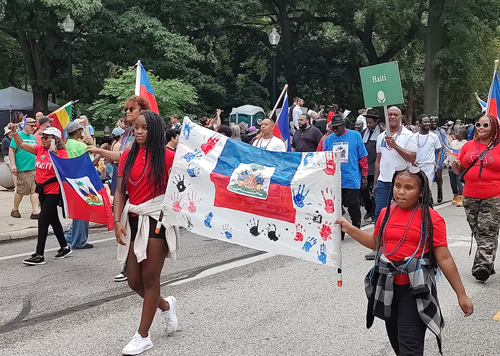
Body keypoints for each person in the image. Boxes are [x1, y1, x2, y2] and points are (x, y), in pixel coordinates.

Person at [336, 166, 473, 355]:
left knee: (410, 348)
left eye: (409, 188)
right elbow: (376, 243)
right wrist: (349, 228)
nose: (401, 191)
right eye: (398, 186)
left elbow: (444, 257)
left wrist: (461, 294)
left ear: (421, 192)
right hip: (388, 288)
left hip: (415, 290)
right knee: (398, 346)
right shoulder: (386, 213)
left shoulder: (431, 218)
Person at [114, 110, 179, 355]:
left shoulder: (169, 157)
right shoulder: (127, 156)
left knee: (150, 278)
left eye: (144, 128)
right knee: (133, 280)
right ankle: (165, 306)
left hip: (157, 217)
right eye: (136, 127)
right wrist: (116, 222)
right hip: (131, 218)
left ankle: (142, 336)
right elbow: (120, 191)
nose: (139, 131)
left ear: (154, 130)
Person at [88, 95, 152, 283]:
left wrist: (100, 151)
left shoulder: (143, 133)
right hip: (122, 180)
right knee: (126, 226)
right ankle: (129, 266)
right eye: (126, 109)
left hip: (140, 185)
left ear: (142, 111)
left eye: (131, 109)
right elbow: (122, 157)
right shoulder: (126, 133)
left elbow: (122, 155)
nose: (127, 112)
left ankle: (138, 267)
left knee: (139, 229)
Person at [10, 125, 71, 265]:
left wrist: (55, 153)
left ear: (55, 139)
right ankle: (65, 246)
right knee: (53, 219)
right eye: (41, 137)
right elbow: (20, 144)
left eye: (46, 137)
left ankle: (39, 254)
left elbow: (65, 172)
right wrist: (14, 132)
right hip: (42, 189)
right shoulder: (40, 150)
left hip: (54, 191)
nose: (42, 139)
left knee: (43, 219)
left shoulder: (61, 154)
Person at [452, 114, 500, 282]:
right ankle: (488, 260)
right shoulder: (468, 146)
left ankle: (481, 267)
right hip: (470, 195)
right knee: (479, 231)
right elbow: (459, 170)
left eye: (485, 125)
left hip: (494, 196)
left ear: (493, 127)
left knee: (486, 231)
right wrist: (456, 166)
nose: (481, 127)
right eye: (478, 124)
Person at [367, 106, 417, 260]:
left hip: (402, 182)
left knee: (405, 214)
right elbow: (378, 160)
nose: (392, 117)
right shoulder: (381, 136)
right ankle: (378, 247)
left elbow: (412, 158)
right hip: (384, 181)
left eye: (395, 114)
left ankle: (405, 245)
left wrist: (395, 145)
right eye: (389, 114)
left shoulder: (409, 136)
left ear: (400, 117)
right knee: (380, 214)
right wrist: (375, 181)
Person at [323, 114, 368, 232]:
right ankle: (340, 230)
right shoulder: (329, 139)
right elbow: (324, 157)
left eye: (337, 127)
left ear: (343, 125)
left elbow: (362, 157)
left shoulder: (355, 135)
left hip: (351, 177)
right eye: (333, 128)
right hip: (335, 178)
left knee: (352, 204)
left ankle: (356, 225)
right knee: (337, 206)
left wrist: (364, 175)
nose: (335, 130)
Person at [64, 121, 94, 249]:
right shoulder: (81, 146)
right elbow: (90, 162)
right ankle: (79, 240)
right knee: (83, 212)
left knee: (77, 211)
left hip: (69, 180)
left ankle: (72, 236)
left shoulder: (66, 145)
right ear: (77, 132)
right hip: (82, 180)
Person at [9, 118, 39, 219]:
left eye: (34, 126)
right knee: (21, 191)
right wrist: (13, 164)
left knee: (35, 190)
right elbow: (11, 150)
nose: (33, 128)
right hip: (23, 168)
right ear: (25, 125)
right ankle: (15, 209)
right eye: (31, 125)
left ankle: (35, 211)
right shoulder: (18, 136)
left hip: (34, 168)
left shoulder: (33, 137)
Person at [360, 109, 385, 220]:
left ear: (376, 121)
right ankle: (369, 209)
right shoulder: (363, 133)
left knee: (376, 190)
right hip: (364, 166)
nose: (369, 125)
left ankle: (375, 211)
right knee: (363, 190)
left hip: (376, 166)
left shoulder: (382, 133)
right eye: (367, 122)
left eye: (371, 122)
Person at [414, 115, 442, 191]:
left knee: (427, 187)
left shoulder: (434, 136)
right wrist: (412, 161)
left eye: (428, 122)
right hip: (417, 166)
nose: (427, 123)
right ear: (419, 124)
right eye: (425, 122)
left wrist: (437, 163)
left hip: (429, 165)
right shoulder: (414, 137)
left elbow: (439, 151)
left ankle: (426, 202)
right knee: (418, 187)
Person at [444, 128, 467, 207]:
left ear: (462, 135)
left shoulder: (465, 144)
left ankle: (461, 196)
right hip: (451, 165)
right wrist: (446, 161)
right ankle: (455, 194)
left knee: (459, 181)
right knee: (452, 181)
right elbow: (449, 153)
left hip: (460, 166)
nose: (456, 133)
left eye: (458, 132)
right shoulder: (453, 142)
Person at [430, 116, 447, 203]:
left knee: (438, 175)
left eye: (435, 122)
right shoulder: (427, 132)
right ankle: (429, 195)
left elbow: (445, 142)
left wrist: (446, 155)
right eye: (431, 122)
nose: (433, 123)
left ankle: (440, 190)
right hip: (429, 153)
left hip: (439, 153)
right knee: (429, 176)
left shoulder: (441, 131)